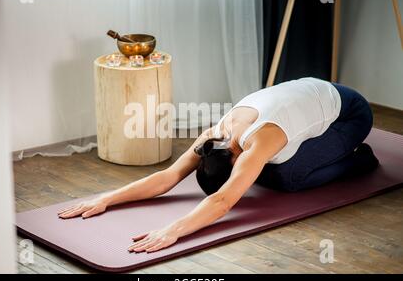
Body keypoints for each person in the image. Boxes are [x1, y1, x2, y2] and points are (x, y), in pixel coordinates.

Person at [58, 77, 379, 253]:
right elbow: (170, 175)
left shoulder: (259, 141)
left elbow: (224, 201)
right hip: (313, 94)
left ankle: (357, 159)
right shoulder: (215, 136)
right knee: (271, 166)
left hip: (351, 114)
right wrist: (107, 198)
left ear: (236, 158)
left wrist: (174, 230)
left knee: (286, 175)